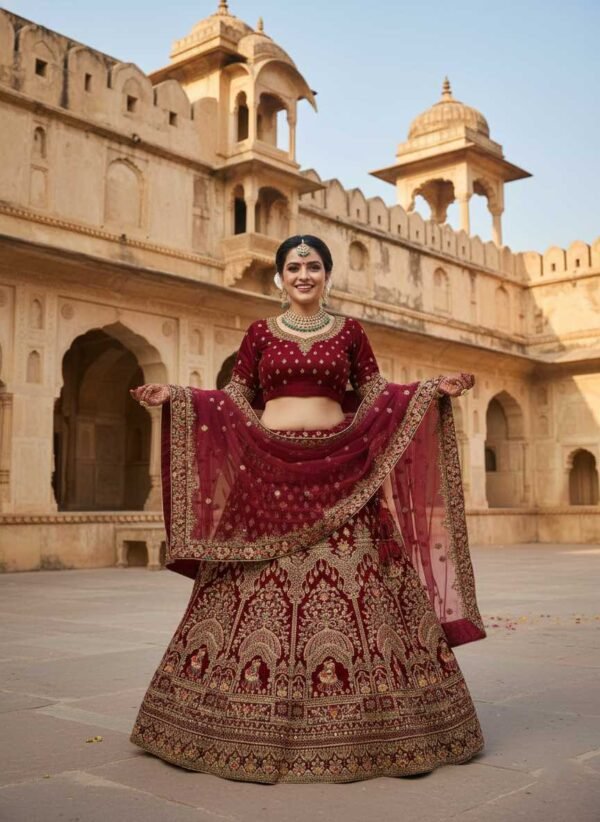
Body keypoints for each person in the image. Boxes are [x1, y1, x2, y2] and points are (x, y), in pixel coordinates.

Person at [129, 234, 486, 784]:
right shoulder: (258, 333)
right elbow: (236, 396)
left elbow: (374, 393)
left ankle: (379, 731)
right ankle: (224, 722)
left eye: (313, 266)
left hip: (340, 473)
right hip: (267, 475)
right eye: (293, 266)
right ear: (279, 277)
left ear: (326, 275)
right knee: (250, 595)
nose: (303, 274)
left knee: (360, 592)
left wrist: (428, 389)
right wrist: (180, 397)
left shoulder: (349, 332)